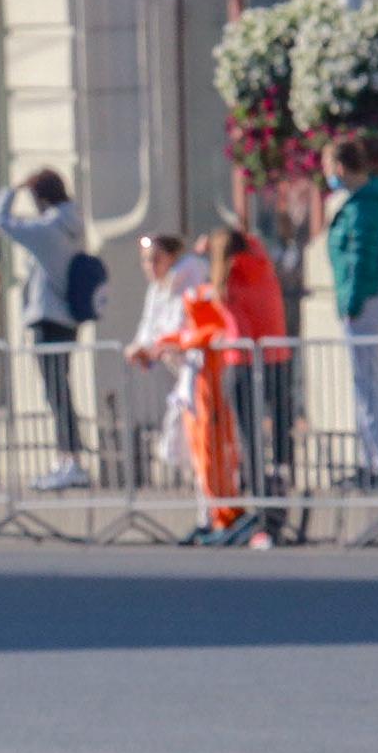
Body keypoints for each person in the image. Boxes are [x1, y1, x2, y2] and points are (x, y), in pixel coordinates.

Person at [0, 169, 90, 490]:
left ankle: (70, 459)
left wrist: (11, 189)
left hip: (48, 317)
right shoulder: (74, 223)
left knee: (56, 392)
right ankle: (68, 458)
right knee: (62, 389)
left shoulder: (47, 229)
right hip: (68, 317)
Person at [155, 230, 255, 542]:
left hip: (213, 385)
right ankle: (211, 514)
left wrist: (183, 340)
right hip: (195, 387)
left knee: (217, 455)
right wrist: (164, 343)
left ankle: (225, 515)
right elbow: (190, 331)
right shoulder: (198, 293)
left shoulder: (215, 292)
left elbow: (215, 331)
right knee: (200, 457)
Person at [323, 139, 378, 491]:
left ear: (340, 167)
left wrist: (350, 303)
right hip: (369, 299)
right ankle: (373, 458)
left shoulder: (363, 208)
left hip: (364, 301)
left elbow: (359, 259)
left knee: (369, 383)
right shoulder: (367, 203)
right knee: (368, 382)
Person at [220, 223, 294, 532]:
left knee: (249, 436)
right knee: (279, 429)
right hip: (276, 357)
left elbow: (229, 313)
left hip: (244, 359)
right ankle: (279, 487)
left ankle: (260, 505)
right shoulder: (262, 265)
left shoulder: (231, 276)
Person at [123, 232, 209, 491]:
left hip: (201, 367)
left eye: (156, 259)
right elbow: (148, 328)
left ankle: (213, 492)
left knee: (188, 429)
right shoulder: (156, 289)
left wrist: (159, 345)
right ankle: (203, 494)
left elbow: (182, 322)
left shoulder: (189, 275)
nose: (150, 266)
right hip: (182, 371)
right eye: (146, 261)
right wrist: (140, 348)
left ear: (171, 257)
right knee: (182, 433)